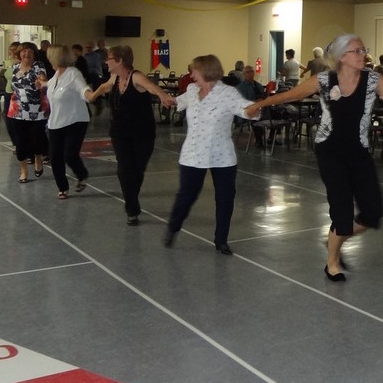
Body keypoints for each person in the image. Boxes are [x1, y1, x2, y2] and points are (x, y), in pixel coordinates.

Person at [247, 33, 383, 281]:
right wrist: (259, 104)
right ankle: (332, 261)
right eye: (357, 51)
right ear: (342, 56)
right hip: (330, 151)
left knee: (373, 212)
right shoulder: (323, 80)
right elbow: (291, 95)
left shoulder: (373, 80)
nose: (363, 54)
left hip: (359, 151)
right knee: (341, 212)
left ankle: (334, 237)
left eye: (364, 50)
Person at [163, 55, 254, 255]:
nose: (192, 74)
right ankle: (173, 226)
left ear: (205, 71)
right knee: (186, 195)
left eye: (194, 70)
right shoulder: (191, 90)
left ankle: (221, 239)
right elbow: (178, 101)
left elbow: (245, 110)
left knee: (225, 198)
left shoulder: (228, 93)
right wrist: (168, 100)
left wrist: (255, 109)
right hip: (193, 153)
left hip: (222, 155)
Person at [87, 45, 175, 225]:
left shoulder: (136, 77)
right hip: (120, 133)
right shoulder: (115, 77)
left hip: (143, 134)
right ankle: (132, 209)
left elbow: (151, 87)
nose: (106, 62)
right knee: (124, 170)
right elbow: (105, 86)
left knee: (137, 171)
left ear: (119, 61)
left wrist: (162, 95)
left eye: (109, 58)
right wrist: (93, 96)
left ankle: (131, 200)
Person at [38, 45, 91, 199]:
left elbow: (83, 89)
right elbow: (51, 85)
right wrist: (42, 84)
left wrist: (90, 95)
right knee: (55, 157)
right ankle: (62, 187)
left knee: (69, 154)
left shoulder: (73, 74)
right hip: (56, 122)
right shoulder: (56, 76)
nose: (48, 59)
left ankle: (82, 174)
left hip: (75, 121)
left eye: (49, 56)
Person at [9, 43, 48, 184]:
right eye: (24, 51)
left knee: (36, 139)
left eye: (30, 51)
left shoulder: (38, 66)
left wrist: (42, 82)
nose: (27, 54)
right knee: (20, 142)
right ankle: (23, 170)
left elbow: (42, 78)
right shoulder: (14, 67)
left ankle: (38, 158)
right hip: (17, 110)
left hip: (36, 110)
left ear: (34, 54)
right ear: (19, 54)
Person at [236, 65, 267, 148]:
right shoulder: (240, 87)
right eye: (247, 72)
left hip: (262, 107)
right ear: (243, 74)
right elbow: (241, 102)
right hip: (249, 109)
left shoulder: (259, 85)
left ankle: (272, 137)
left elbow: (264, 97)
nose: (250, 74)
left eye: (252, 71)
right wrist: (255, 103)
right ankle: (259, 140)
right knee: (256, 115)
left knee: (277, 113)